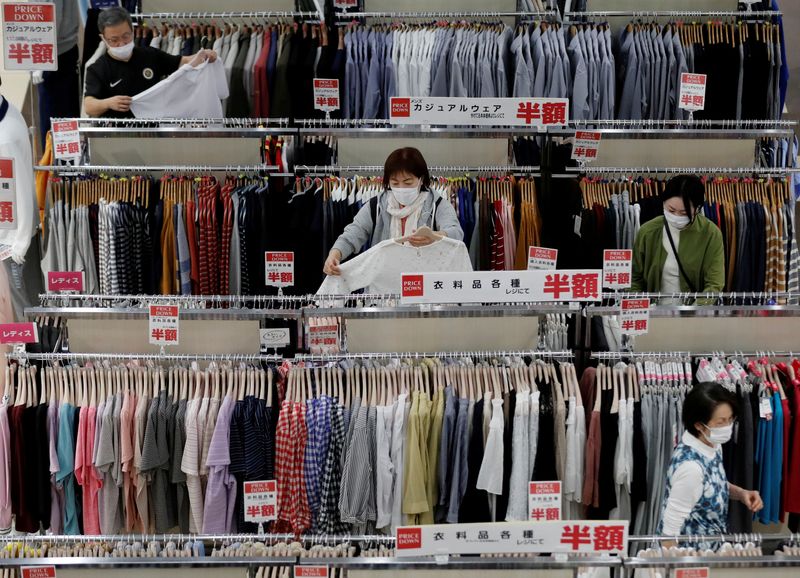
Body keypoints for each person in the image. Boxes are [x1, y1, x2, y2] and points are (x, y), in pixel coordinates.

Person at [323, 147, 465, 276]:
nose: (401, 188)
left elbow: (456, 233)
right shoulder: (376, 205)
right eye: (395, 183)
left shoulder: (437, 204)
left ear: (421, 179)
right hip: (383, 288)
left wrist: (436, 237)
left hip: (425, 288)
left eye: (408, 182)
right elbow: (353, 233)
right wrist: (335, 254)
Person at [658, 383, 763, 540]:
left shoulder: (711, 444)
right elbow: (669, 532)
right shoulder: (690, 468)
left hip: (711, 549)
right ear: (699, 425)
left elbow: (712, 485)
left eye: (730, 419)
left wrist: (741, 493)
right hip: (690, 557)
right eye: (721, 422)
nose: (728, 427)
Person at [84, 6, 217, 118]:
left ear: (133, 31)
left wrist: (203, 56)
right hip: (117, 134)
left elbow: (183, 62)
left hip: (153, 130)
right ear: (103, 38)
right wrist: (108, 103)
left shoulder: (150, 55)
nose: (121, 43)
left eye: (126, 36)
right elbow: (89, 106)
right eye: (114, 40)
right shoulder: (97, 68)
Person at [631, 175, 725, 293]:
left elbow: (714, 283)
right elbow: (634, 278)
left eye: (684, 212)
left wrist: (696, 309)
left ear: (697, 209)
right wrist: (640, 306)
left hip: (693, 309)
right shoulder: (647, 232)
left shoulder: (710, 234)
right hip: (652, 308)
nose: (676, 216)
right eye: (671, 210)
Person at [0, 75, 43, 319]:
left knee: (22, 307)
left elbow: (22, 192)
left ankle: (31, 355)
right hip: (10, 234)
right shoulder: (7, 110)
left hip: (11, 241)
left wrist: (20, 242)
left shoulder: (5, 139)